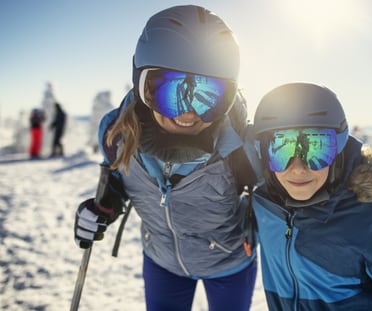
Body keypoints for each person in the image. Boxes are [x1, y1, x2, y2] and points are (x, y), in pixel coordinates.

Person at [74, 5, 258, 311]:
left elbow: (291, 193)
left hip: (230, 263)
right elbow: (118, 182)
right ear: (142, 86)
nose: (188, 112)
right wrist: (103, 208)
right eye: (171, 91)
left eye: (207, 96)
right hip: (163, 263)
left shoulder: (242, 148)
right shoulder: (117, 136)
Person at [251, 82, 372, 310]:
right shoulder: (263, 202)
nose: (297, 169)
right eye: (282, 148)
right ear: (261, 152)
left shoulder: (371, 222)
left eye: (316, 148)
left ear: (339, 149)